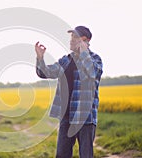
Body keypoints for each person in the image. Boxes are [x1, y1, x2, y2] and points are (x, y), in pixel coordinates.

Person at [35, 26, 103, 158]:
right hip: (66, 117)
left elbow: (92, 73)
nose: (71, 40)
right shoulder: (66, 60)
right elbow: (45, 73)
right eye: (71, 37)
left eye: (75, 37)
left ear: (85, 40)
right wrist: (40, 58)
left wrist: (83, 53)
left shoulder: (95, 59)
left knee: (86, 155)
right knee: (62, 155)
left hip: (85, 117)